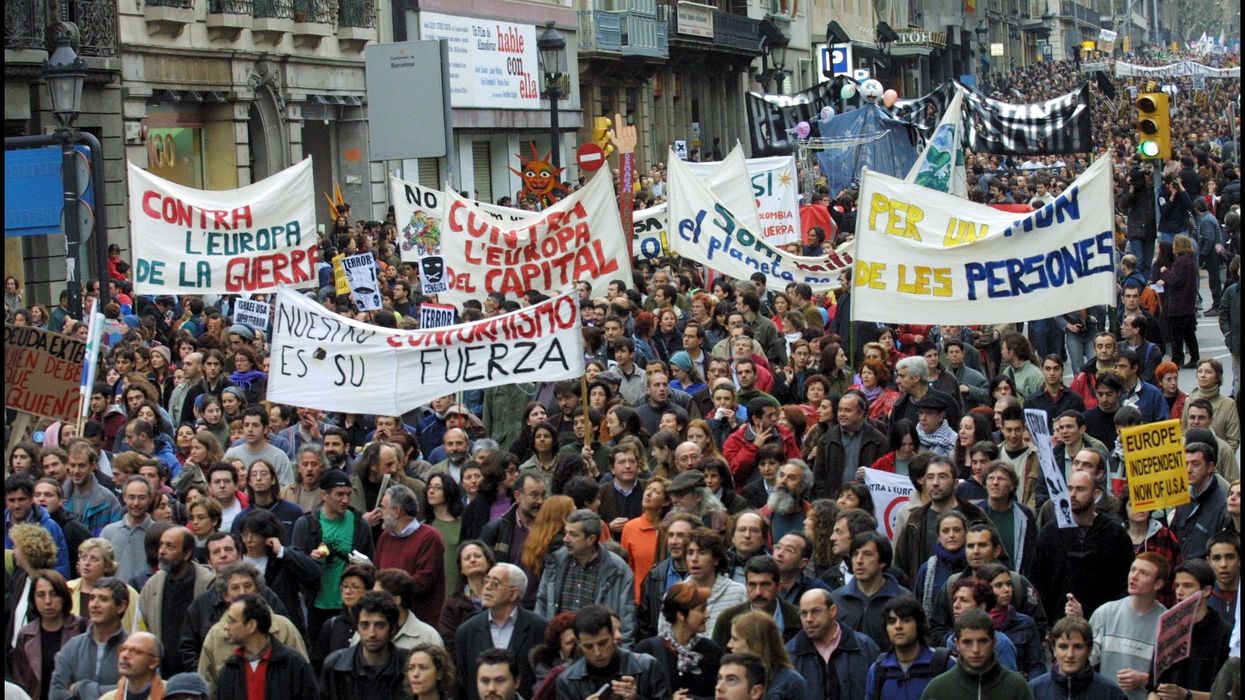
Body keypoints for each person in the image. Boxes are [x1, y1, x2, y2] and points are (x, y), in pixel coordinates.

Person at [1033, 471, 1132, 624]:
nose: (1072, 494)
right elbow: (1037, 582)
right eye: (1069, 488)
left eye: (1080, 489)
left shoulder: (1114, 533)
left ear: (1096, 494)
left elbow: (1124, 584)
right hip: (1057, 626)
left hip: (1102, 625)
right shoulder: (1050, 532)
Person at [291, 468, 373, 640]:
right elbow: (295, 565)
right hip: (316, 605)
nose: (345, 500)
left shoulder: (359, 524)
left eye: (348, 494)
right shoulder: (306, 524)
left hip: (350, 606)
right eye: (339, 494)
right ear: (324, 495)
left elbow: (371, 566)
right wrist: (310, 560)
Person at [1073, 553, 1168, 700]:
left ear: (1158, 584)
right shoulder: (1105, 612)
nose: (1133, 576)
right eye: (1133, 570)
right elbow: (1086, 659)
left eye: (1143, 573)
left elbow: (1172, 677)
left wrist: (1144, 679)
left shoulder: (1167, 622)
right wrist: (1077, 623)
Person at [534, 508, 636, 643]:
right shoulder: (555, 562)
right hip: (559, 648)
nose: (565, 539)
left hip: (598, 649)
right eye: (565, 533)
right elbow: (542, 604)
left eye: (573, 534)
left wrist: (622, 652)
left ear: (590, 539)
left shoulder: (617, 570)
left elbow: (626, 620)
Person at [454, 563, 548, 700]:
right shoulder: (466, 631)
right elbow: (463, 683)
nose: (487, 587)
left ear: (514, 593)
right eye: (487, 581)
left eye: (495, 583)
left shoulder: (540, 628)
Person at [893, 456, 987, 586]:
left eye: (942, 477)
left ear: (955, 483)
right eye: (930, 477)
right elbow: (900, 566)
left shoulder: (975, 515)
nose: (935, 483)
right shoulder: (915, 520)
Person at [138, 525, 217, 675]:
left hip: (197, 671)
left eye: (170, 546)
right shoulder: (152, 585)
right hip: (162, 671)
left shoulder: (209, 584)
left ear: (187, 553)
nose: (162, 551)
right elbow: (142, 625)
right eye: (161, 545)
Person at [213, 592, 318, 700]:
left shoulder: (293, 664)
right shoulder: (229, 671)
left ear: (251, 626)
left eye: (232, 621)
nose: (226, 627)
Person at [1151, 560, 1232, 699]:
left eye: (1187, 585)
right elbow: (1154, 687)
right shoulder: (1168, 628)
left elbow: (1228, 694)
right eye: (1177, 586)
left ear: (1206, 591)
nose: (1179, 592)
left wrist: (1186, 695)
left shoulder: (1224, 633)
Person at [554, 604, 671, 700]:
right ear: (579, 643)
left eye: (603, 643)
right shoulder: (566, 682)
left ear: (613, 636)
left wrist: (636, 698)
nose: (597, 652)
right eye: (588, 646)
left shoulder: (648, 667)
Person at [635, 581, 723, 699]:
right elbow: (637, 695)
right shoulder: (647, 649)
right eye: (701, 610)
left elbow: (720, 695)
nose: (707, 615)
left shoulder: (712, 651)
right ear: (681, 615)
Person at [921, 608, 1034, 700]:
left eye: (983, 641)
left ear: (993, 642)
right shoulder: (938, 689)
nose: (975, 649)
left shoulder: (1017, 687)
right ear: (957, 644)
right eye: (967, 642)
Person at [787, 588, 879, 699]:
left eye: (816, 611)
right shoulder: (790, 653)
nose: (809, 619)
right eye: (803, 613)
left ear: (832, 611)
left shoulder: (864, 646)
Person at [48, 577, 130, 700]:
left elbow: (134, 693)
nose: (95, 605)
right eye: (92, 598)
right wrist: (114, 691)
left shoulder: (134, 649)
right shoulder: (72, 647)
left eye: (103, 599)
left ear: (121, 607)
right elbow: (56, 694)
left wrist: (81, 688)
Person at [9, 570, 86, 700]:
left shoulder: (82, 628)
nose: (48, 601)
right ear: (33, 599)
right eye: (41, 595)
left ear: (64, 597)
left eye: (54, 594)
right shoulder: (26, 635)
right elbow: (20, 680)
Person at [375, 484, 445, 625]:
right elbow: (377, 571)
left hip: (418, 622)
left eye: (383, 507)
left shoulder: (429, 537)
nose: (379, 512)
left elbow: (423, 581)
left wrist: (385, 589)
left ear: (396, 511)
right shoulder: (385, 537)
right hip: (386, 619)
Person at [319, 591, 410, 699]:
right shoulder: (334, 665)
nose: (372, 634)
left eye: (380, 625)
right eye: (365, 625)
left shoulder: (410, 665)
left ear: (392, 628)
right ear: (357, 627)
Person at [833, 532, 913, 651]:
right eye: (855, 554)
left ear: (882, 562)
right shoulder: (836, 599)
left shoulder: (903, 599)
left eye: (867, 554)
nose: (859, 561)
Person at [863, 595, 953, 700]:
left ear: (918, 625)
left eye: (906, 620)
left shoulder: (944, 664)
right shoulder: (878, 671)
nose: (898, 626)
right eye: (892, 621)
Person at [1028, 615, 1125, 699]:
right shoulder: (1034, 690)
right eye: (1063, 647)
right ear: (1054, 650)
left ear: (1089, 650)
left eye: (1078, 647)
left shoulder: (1111, 693)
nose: (1070, 655)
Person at [812, 391, 887, 499]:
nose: (842, 414)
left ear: (861, 413)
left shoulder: (878, 440)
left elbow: (884, 477)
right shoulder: (826, 440)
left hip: (866, 502)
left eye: (847, 410)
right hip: (835, 502)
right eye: (840, 410)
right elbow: (819, 478)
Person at [1170, 442, 1230, 561]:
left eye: (1195, 464)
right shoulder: (1183, 499)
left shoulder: (1223, 505)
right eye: (1185, 464)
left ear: (1210, 467)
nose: (1188, 470)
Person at [5, 475, 72, 577]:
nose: (16, 505)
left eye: (21, 499)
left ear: (32, 498)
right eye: (11, 500)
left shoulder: (49, 527)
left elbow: (60, 570)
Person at [98, 476, 155, 584]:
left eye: (142, 498)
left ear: (150, 498)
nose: (136, 503)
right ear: (124, 497)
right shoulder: (109, 532)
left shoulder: (157, 534)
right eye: (131, 497)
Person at [222, 406, 295, 488]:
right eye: (246, 425)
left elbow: (287, 489)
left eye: (255, 425)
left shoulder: (279, 457)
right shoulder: (231, 454)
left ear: (266, 429)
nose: (250, 429)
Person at [94, 631, 164, 700]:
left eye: (136, 651)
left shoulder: (168, 693)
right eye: (123, 649)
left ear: (153, 663)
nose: (125, 655)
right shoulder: (108, 698)